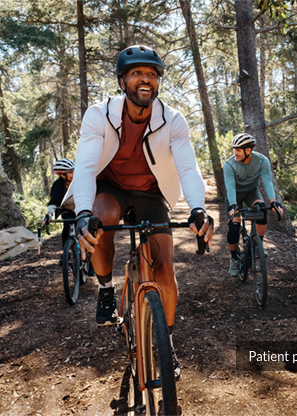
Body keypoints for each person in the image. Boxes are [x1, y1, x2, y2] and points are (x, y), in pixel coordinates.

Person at [65, 45, 212, 326]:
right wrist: (83, 212)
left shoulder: (173, 120)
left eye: (152, 74)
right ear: (122, 82)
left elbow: (188, 167)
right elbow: (84, 166)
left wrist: (198, 208)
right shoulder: (99, 114)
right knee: (100, 219)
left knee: (165, 269)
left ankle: (167, 342)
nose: (145, 79)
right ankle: (106, 289)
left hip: (151, 192)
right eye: (136, 73)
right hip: (111, 186)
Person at [221, 133, 283, 276]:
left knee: (262, 211)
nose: (234, 153)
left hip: (251, 192)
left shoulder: (262, 161)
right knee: (234, 227)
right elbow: (230, 186)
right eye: (234, 149)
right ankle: (234, 259)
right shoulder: (230, 164)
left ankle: (257, 245)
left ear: (248, 151)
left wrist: (273, 200)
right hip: (234, 195)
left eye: (238, 150)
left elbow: (267, 181)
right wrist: (233, 204)